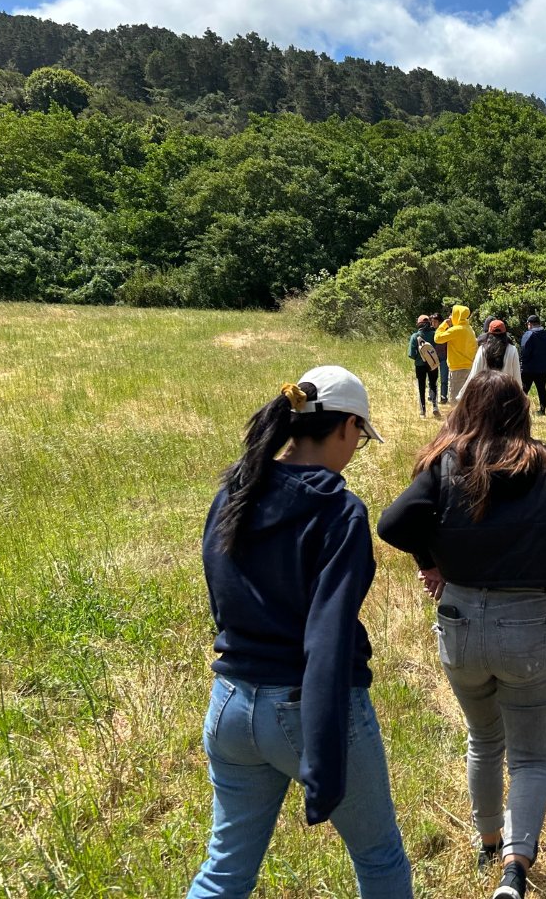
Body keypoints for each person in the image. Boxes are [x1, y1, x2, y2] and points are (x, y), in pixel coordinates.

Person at [377, 372, 546, 899]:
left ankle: (488, 842)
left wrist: (432, 562)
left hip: (459, 621)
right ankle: (514, 869)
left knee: (483, 739)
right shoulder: (544, 462)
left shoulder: (446, 462)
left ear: (467, 410)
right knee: (529, 756)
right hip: (527, 624)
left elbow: (392, 524)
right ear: (520, 411)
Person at [188, 366, 413, 899]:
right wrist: (325, 754)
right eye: (360, 436)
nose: (357, 448)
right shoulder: (339, 511)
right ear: (346, 426)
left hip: (229, 706)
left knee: (224, 870)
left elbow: (221, 591)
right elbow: (328, 638)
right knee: (380, 858)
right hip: (303, 706)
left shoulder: (235, 491)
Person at [434, 304, 478, 404]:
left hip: (457, 369)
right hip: (469, 368)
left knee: (455, 402)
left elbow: (437, 338)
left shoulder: (456, 330)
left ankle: (457, 420)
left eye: (453, 314)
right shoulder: (470, 329)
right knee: (467, 401)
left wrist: (444, 324)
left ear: (457, 315)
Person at [465, 319, 521, 387]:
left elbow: (475, 372)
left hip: (486, 391)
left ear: (489, 334)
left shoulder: (483, 349)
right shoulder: (512, 350)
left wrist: (466, 393)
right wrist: (519, 392)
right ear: (505, 334)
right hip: (507, 391)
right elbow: (517, 375)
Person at [519, 315, 546, 416]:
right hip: (543, 368)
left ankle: (521, 410)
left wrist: (522, 365)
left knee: (524, 389)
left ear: (530, 324)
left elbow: (524, 352)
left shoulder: (528, 335)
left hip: (529, 368)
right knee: (542, 389)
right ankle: (542, 410)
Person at [408, 314, 440, 418]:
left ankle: (423, 411)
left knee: (421, 387)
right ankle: (435, 407)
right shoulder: (434, 334)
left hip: (419, 365)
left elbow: (411, 354)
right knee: (433, 385)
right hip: (433, 364)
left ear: (419, 324)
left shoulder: (414, 336)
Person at [429, 313, 449, 405]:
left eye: (435, 322)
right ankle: (431, 395)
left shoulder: (446, 331)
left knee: (444, 378)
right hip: (433, 357)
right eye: (432, 322)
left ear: (440, 322)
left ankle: (443, 396)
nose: (433, 324)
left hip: (444, 357)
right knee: (432, 378)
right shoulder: (430, 332)